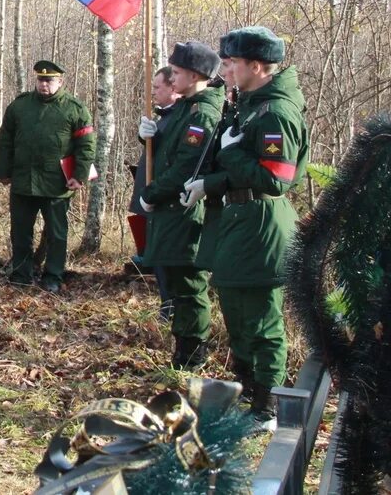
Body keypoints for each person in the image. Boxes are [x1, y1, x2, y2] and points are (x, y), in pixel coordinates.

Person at [186, 26, 309, 425]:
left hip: (261, 227)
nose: (225, 70)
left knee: (261, 319)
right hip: (238, 221)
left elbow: (275, 178)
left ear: (257, 66)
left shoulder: (275, 111)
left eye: (233, 63)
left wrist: (233, 156)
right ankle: (246, 390)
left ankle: (267, 403)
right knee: (237, 312)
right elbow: (238, 168)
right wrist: (210, 182)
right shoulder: (250, 104)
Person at [136, 42, 223, 368]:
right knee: (176, 282)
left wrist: (152, 193)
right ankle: (183, 349)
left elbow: (187, 165)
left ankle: (192, 354)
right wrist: (153, 136)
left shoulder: (203, 112)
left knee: (188, 285)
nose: (170, 79)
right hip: (172, 211)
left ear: (195, 74)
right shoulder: (187, 107)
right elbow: (171, 150)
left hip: (185, 211)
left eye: (175, 72)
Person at [0, 60, 96, 293]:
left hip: (57, 184)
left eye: (49, 80)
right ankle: (21, 273)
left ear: (60, 81)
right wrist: (4, 171)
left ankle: (53, 275)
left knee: (57, 234)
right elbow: (5, 139)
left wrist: (79, 176)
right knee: (20, 232)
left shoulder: (74, 108)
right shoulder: (19, 106)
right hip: (23, 182)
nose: (44, 84)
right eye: (41, 80)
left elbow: (86, 145)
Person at [127, 67, 181, 317]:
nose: (154, 93)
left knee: (167, 257)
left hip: (166, 200)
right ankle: (167, 303)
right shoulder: (165, 116)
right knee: (154, 253)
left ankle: (172, 304)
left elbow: (174, 158)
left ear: (173, 87)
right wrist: (145, 137)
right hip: (152, 197)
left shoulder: (183, 116)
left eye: (158, 87)